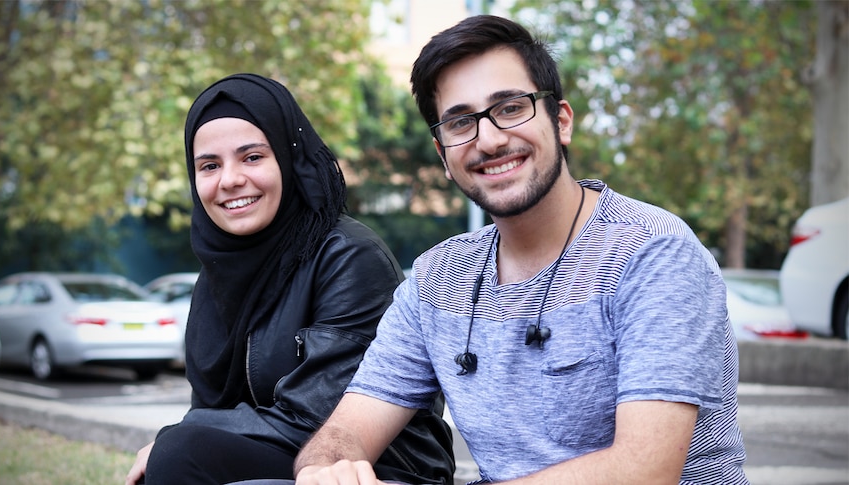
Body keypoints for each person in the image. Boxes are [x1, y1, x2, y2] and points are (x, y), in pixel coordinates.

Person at [293, 15, 749, 485]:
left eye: (510, 108)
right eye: (460, 122)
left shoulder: (651, 250)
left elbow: (645, 472)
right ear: (442, 154)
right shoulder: (437, 278)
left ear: (561, 121)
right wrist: (324, 470)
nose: (489, 139)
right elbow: (346, 429)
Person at [125, 73, 454, 485]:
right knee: (177, 455)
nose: (229, 180)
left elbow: (322, 415)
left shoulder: (347, 255)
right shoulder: (215, 281)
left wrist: (176, 437)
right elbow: (210, 410)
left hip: (374, 466)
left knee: (179, 453)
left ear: (289, 158)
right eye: (209, 165)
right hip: (277, 450)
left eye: (252, 157)